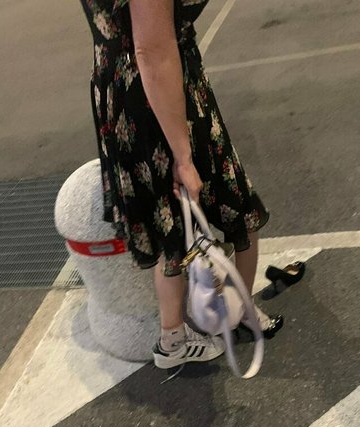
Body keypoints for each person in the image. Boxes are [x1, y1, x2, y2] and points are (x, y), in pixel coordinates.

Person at [79, 0, 283, 370]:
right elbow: (152, 51)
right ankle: (237, 312)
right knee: (233, 204)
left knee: (168, 222)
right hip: (159, 95)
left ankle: (173, 338)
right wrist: (183, 156)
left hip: (122, 91)